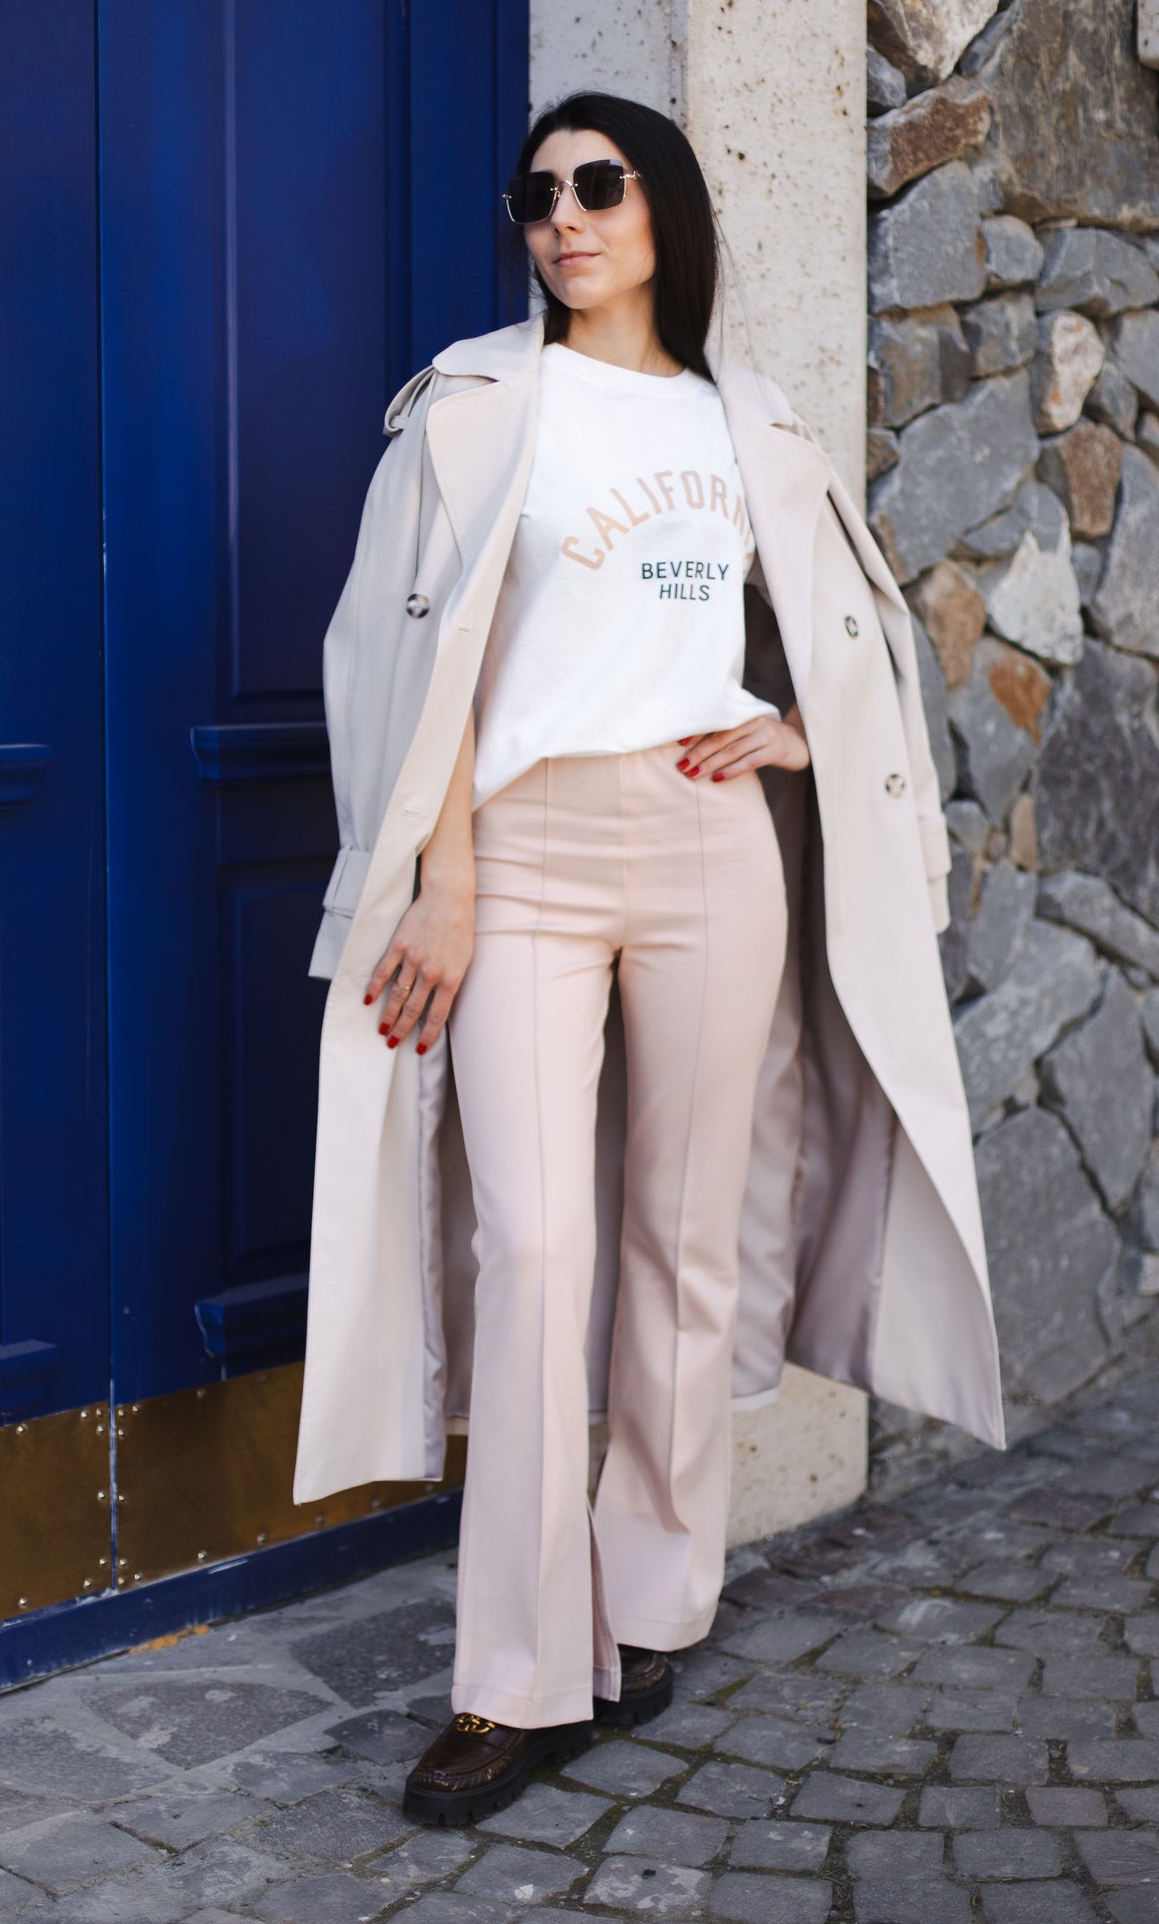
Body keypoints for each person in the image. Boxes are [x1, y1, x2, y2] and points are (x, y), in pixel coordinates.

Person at [292, 92, 1004, 1828]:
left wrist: (801, 733)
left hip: (706, 845)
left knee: (688, 1236)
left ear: (662, 209)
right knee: (537, 1247)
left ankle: (655, 1598)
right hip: (520, 854)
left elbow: (846, 626)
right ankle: (514, 1679)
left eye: (598, 186)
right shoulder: (478, 408)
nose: (563, 218)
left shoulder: (746, 417)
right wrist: (440, 875)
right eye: (537, 194)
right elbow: (406, 664)